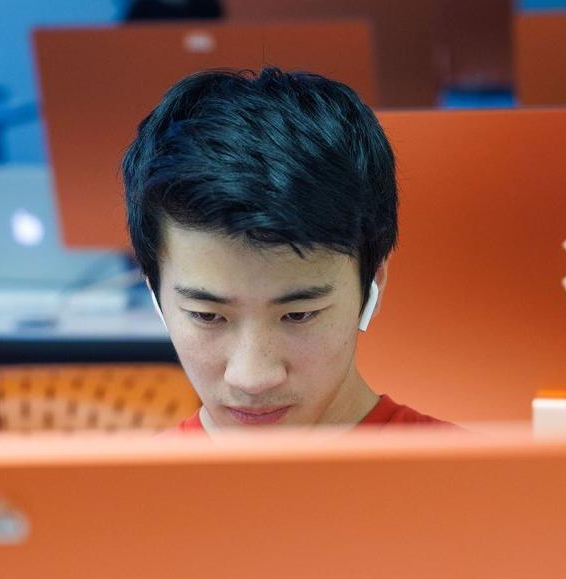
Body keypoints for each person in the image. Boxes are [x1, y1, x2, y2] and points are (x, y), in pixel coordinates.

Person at [122, 67, 450, 431]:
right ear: (156, 296)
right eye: (207, 316)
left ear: (372, 286)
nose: (252, 378)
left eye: (299, 315)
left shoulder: (479, 482)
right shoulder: (119, 489)